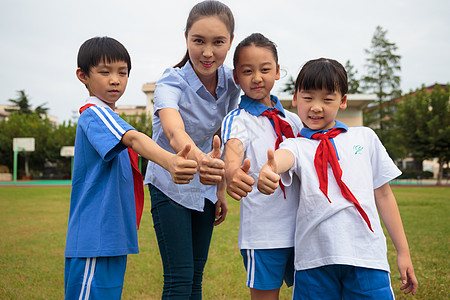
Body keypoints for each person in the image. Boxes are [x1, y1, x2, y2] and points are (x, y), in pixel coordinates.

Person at [257, 58, 418, 299]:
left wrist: (403, 251)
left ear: (343, 101)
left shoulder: (365, 137)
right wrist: (270, 169)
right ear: (295, 98)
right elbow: (284, 157)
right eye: (308, 97)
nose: (316, 107)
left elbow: (383, 195)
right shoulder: (298, 145)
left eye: (327, 99)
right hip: (314, 260)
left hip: (366, 256)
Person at [64, 36, 198, 300]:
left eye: (122, 72)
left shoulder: (111, 117)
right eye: (105, 72)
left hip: (112, 237)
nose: (115, 79)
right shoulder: (94, 112)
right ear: (83, 75)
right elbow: (135, 139)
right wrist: (170, 161)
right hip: (96, 239)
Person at [143, 1, 240, 298]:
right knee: (179, 278)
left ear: (230, 42)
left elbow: (228, 138)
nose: (208, 52)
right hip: (170, 186)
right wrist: (199, 159)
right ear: (186, 38)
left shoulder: (233, 84)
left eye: (218, 42)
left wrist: (220, 188)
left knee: (196, 278)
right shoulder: (171, 81)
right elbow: (174, 131)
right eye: (198, 41)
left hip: (207, 188)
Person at [221, 33, 303, 300]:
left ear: (278, 72)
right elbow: (232, 157)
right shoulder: (237, 119)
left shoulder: (295, 121)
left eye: (265, 69)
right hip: (263, 235)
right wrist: (234, 175)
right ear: (236, 77)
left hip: (304, 230)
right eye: (248, 71)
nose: (257, 77)